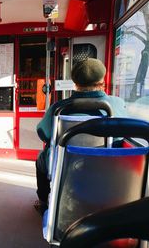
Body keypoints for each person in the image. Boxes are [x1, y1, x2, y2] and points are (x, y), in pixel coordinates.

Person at [34, 58, 127, 215]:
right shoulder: (117, 104)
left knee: (41, 160)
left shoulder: (59, 108)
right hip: (107, 166)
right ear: (102, 80)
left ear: (75, 82)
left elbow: (43, 133)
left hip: (67, 165)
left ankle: (43, 201)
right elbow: (122, 134)